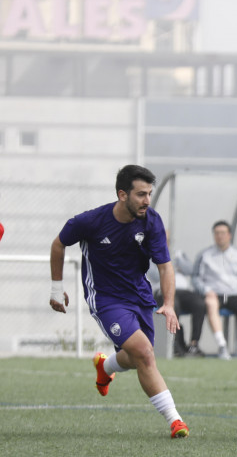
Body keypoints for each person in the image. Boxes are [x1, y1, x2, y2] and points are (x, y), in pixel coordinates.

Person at [48, 164, 188, 438]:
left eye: (149, 194)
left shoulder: (152, 221)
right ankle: (176, 421)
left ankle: (106, 365)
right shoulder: (90, 221)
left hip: (139, 295)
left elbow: (165, 265)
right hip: (105, 298)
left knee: (138, 357)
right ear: (122, 195)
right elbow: (58, 244)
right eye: (141, 194)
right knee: (146, 354)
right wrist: (56, 287)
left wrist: (169, 303)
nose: (147, 200)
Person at [193, 220, 237, 360]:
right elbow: (195, 278)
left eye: (223, 233)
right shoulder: (205, 255)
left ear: (229, 235)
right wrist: (206, 290)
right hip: (215, 295)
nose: (220, 236)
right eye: (217, 233)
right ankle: (222, 346)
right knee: (210, 303)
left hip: (234, 295)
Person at [148, 232, 206, 357]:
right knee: (174, 305)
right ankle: (175, 344)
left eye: (168, 240)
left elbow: (190, 270)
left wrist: (177, 260)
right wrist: (169, 264)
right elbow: (156, 275)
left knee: (199, 304)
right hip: (162, 291)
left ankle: (194, 345)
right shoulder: (150, 254)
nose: (166, 242)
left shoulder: (178, 254)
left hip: (182, 290)